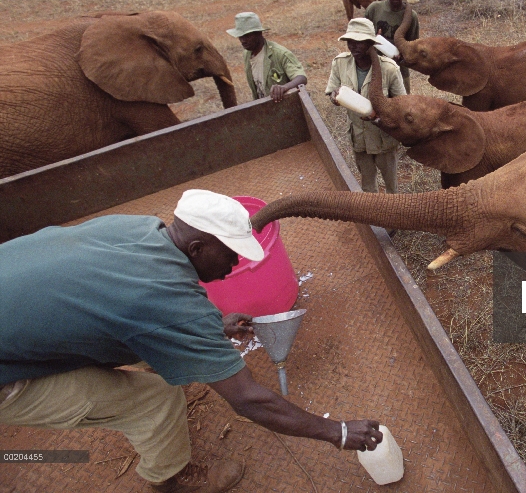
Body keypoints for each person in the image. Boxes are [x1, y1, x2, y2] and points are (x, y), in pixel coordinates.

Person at [0, 189, 382, 493]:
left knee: (131, 338)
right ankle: (170, 480)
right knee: (155, 398)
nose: (234, 265)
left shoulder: (137, 229)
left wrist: (208, 329)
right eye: (231, 255)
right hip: (8, 373)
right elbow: (250, 400)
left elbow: (124, 302)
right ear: (197, 248)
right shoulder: (169, 305)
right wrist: (338, 432)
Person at [325, 18, 406, 194]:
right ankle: (374, 219)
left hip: (383, 137)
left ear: (371, 43)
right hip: (359, 136)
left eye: (359, 42)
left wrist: (382, 116)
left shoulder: (389, 69)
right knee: (368, 185)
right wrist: (336, 96)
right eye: (350, 42)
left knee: (391, 186)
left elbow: (403, 104)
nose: (353, 46)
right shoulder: (340, 64)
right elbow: (331, 91)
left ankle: (395, 216)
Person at [227, 12, 307, 102]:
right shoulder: (247, 54)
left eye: (247, 36)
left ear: (259, 33)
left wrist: (284, 87)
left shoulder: (280, 54)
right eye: (240, 36)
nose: (243, 41)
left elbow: (301, 78)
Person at [365, 0, 420, 94]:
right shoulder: (374, 9)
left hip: (400, 70)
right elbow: (362, 36)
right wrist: (373, 39)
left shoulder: (411, 15)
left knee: (404, 106)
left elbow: (414, 46)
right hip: (376, 68)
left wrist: (403, 55)